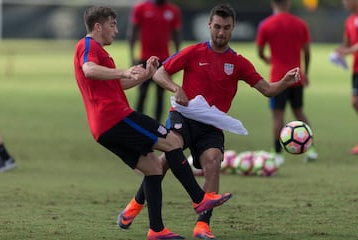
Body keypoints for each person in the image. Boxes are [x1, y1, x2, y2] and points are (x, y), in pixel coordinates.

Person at [117, 4, 301, 239]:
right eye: (216, 27)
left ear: (233, 28)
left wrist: (284, 82)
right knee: (165, 158)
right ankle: (135, 205)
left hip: (212, 125)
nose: (220, 33)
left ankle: (202, 226)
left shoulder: (239, 62)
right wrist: (176, 87)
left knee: (214, 161)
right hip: (183, 114)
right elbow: (159, 72)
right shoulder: (193, 52)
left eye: (225, 28)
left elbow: (267, 89)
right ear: (209, 26)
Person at [73, 6, 232, 240]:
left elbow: (117, 85)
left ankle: (156, 230)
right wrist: (123, 71)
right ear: (98, 26)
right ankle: (200, 199)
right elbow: (89, 70)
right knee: (170, 142)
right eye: (113, 25)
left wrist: (146, 74)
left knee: (153, 168)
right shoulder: (88, 46)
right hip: (115, 117)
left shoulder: (101, 52)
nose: (116, 31)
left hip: (102, 127)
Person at [256, 0, 318, 163]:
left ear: (272, 3)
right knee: (299, 111)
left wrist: (267, 59)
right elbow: (307, 52)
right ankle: (310, 149)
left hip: (278, 78)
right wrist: (306, 73)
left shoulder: (266, 25)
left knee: (278, 116)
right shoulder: (300, 24)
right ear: (288, 4)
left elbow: (260, 51)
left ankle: (277, 153)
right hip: (297, 76)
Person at [128, 0, 182, 122]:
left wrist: (177, 60)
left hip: (164, 60)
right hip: (144, 59)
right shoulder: (141, 8)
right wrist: (132, 56)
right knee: (142, 93)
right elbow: (133, 32)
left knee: (160, 95)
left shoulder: (173, 10)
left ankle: (157, 124)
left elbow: (176, 35)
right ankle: (138, 123)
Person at [335, 0, 358, 154]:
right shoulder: (349, 21)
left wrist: (348, 50)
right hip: (356, 69)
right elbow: (348, 42)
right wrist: (340, 51)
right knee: (355, 103)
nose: (344, 3)